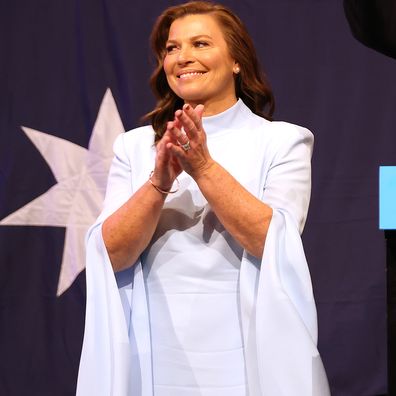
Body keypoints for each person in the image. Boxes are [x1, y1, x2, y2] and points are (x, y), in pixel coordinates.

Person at [76, 1, 330, 395]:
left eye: (200, 43)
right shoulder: (135, 147)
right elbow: (111, 254)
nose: (183, 57)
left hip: (250, 357)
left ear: (236, 61)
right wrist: (158, 183)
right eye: (172, 48)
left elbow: (273, 241)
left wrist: (204, 167)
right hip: (153, 359)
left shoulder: (283, 141)